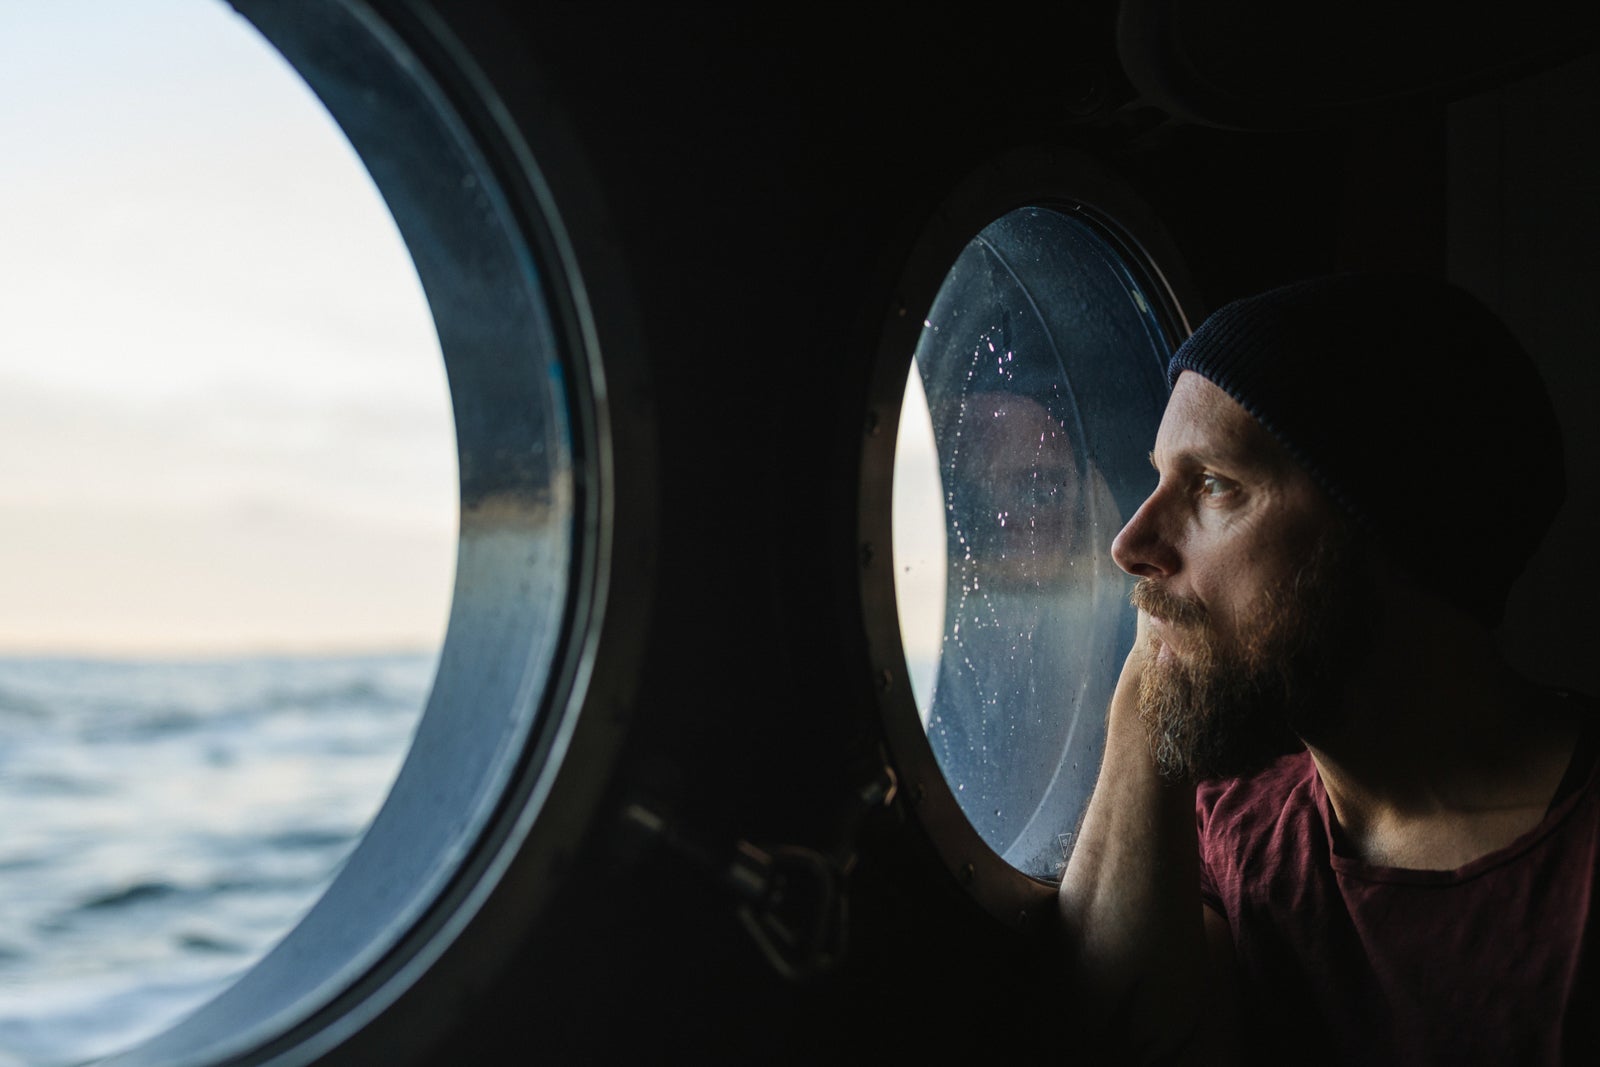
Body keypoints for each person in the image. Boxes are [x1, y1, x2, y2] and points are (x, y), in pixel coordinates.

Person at [1057, 272, 1596, 1065]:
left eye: (1212, 485)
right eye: (1156, 476)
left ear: (1387, 530)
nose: (1130, 543)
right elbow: (1122, 1034)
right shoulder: (1232, 823)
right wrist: (1154, 675)